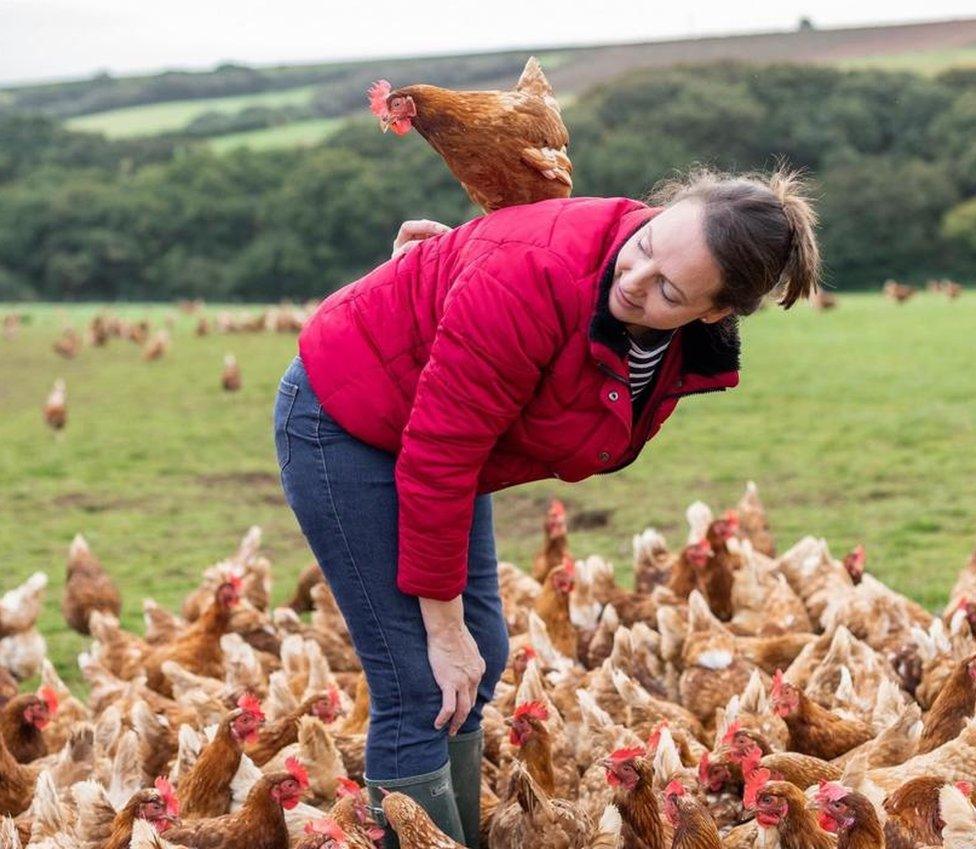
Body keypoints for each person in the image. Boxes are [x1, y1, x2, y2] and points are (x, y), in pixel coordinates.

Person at [274, 165, 821, 847]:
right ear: (654, 210)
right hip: (345, 421)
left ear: (714, 312)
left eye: (668, 290)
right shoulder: (533, 279)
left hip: (433, 432)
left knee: (484, 655)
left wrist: (458, 263)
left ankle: (454, 834)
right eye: (644, 246)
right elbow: (440, 458)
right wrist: (442, 632)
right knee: (420, 683)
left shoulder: (681, 338)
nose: (634, 281)